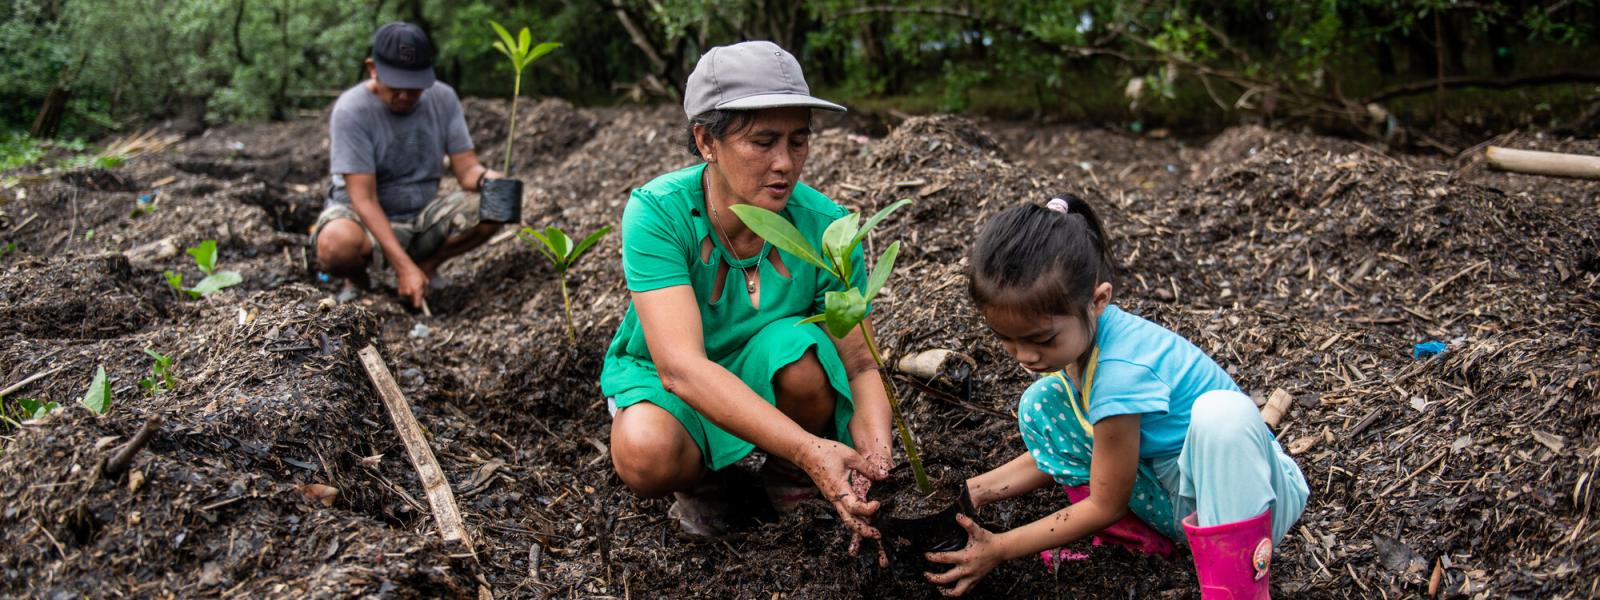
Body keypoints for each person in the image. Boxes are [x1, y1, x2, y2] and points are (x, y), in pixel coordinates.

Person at [925, 196, 1310, 598]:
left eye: (1041, 339)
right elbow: (1095, 454)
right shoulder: (1081, 348)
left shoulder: (1120, 376)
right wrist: (970, 492)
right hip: (1180, 492)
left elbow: (1105, 503)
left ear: (1098, 301)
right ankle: (1141, 544)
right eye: (1007, 339)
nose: (1025, 356)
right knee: (1043, 404)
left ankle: (1236, 590)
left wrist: (1000, 548)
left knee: (1223, 415)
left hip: (1247, 499)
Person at [600, 41, 895, 558]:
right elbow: (680, 368)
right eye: (763, 142)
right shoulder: (660, 214)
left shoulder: (826, 228)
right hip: (678, 379)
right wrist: (811, 447)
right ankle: (706, 479)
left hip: (768, 368)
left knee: (802, 359)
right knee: (646, 451)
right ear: (705, 141)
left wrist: (877, 455)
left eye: (798, 141)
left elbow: (860, 365)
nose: (785, 163)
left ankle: (787, 475)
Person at [312, 21, 505, 309]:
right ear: (373, 69)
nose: (404, 96)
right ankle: (361, 282)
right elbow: (363, 199)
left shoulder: (443, 98)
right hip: (361, 218)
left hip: (421, 216)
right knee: (335, 244)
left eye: (413, 88)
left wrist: (491, 180)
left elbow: (467, 171)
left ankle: (427, 266)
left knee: (501, 200)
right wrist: (402, 267)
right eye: (396, 86)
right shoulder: (351, 110)